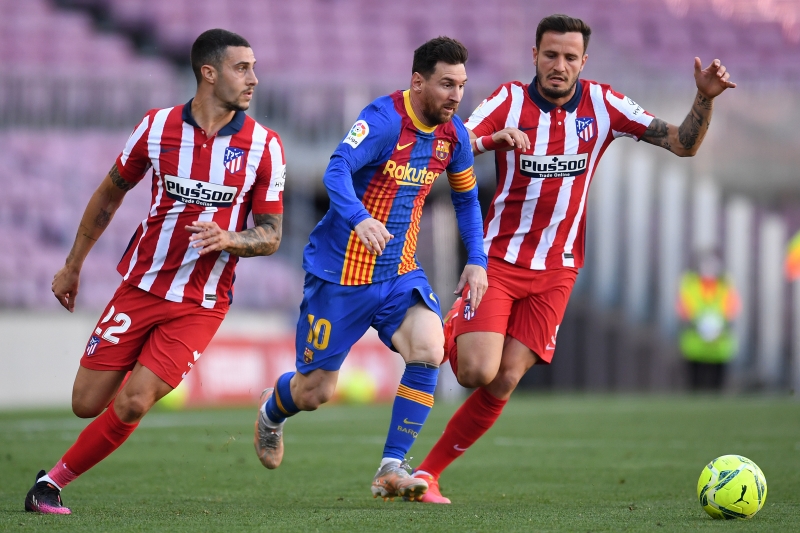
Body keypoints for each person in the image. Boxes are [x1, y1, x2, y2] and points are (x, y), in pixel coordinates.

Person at [409, 14, 736, 503]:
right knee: (476, 372)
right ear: (534, 56)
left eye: (569, 57)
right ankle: (455, 321)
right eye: (550, 55)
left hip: (558, 269)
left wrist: (704, 98)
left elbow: (681, 144)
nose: (558, 65)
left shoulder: (604, 104)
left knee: (506, 379)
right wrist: (490, 141)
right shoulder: (508, 101)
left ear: (584, 61)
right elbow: (447, 151)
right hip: (499, 261)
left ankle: (428, 475)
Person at [24, 29, 286, 515]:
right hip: (141, 286)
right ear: (209, 73)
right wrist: (72, 266)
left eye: (253, 68)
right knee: (86, 403)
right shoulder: (156, 127)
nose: (254, 78)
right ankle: (133, 375)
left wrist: (231, 238)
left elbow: (271, 234)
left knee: (134, 401)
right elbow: (109, 195)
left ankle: (50, 484)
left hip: (201, 303)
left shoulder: (265, 146)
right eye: (242, 68)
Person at [253, 36, 488, 502]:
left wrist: (477, 260)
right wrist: (360, 218)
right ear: (417, 82)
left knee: (430, 347)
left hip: (398, 272)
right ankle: (270, 413)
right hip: (340, 275)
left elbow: (465, 198)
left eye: (461, 85)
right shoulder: (383, 121)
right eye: (447, 84)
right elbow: (336, 170)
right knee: (314, 392)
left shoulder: (454, 136)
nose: (456, 96)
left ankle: (391, 467)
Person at [678, 252, 740, 390]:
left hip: (719, 341)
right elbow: (683, 308)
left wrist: (718, 324)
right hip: (695, 341)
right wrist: (698, 322)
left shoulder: (725, 287)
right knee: (695, 380)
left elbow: (733, 309)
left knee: (717, 381)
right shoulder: (690, 285)